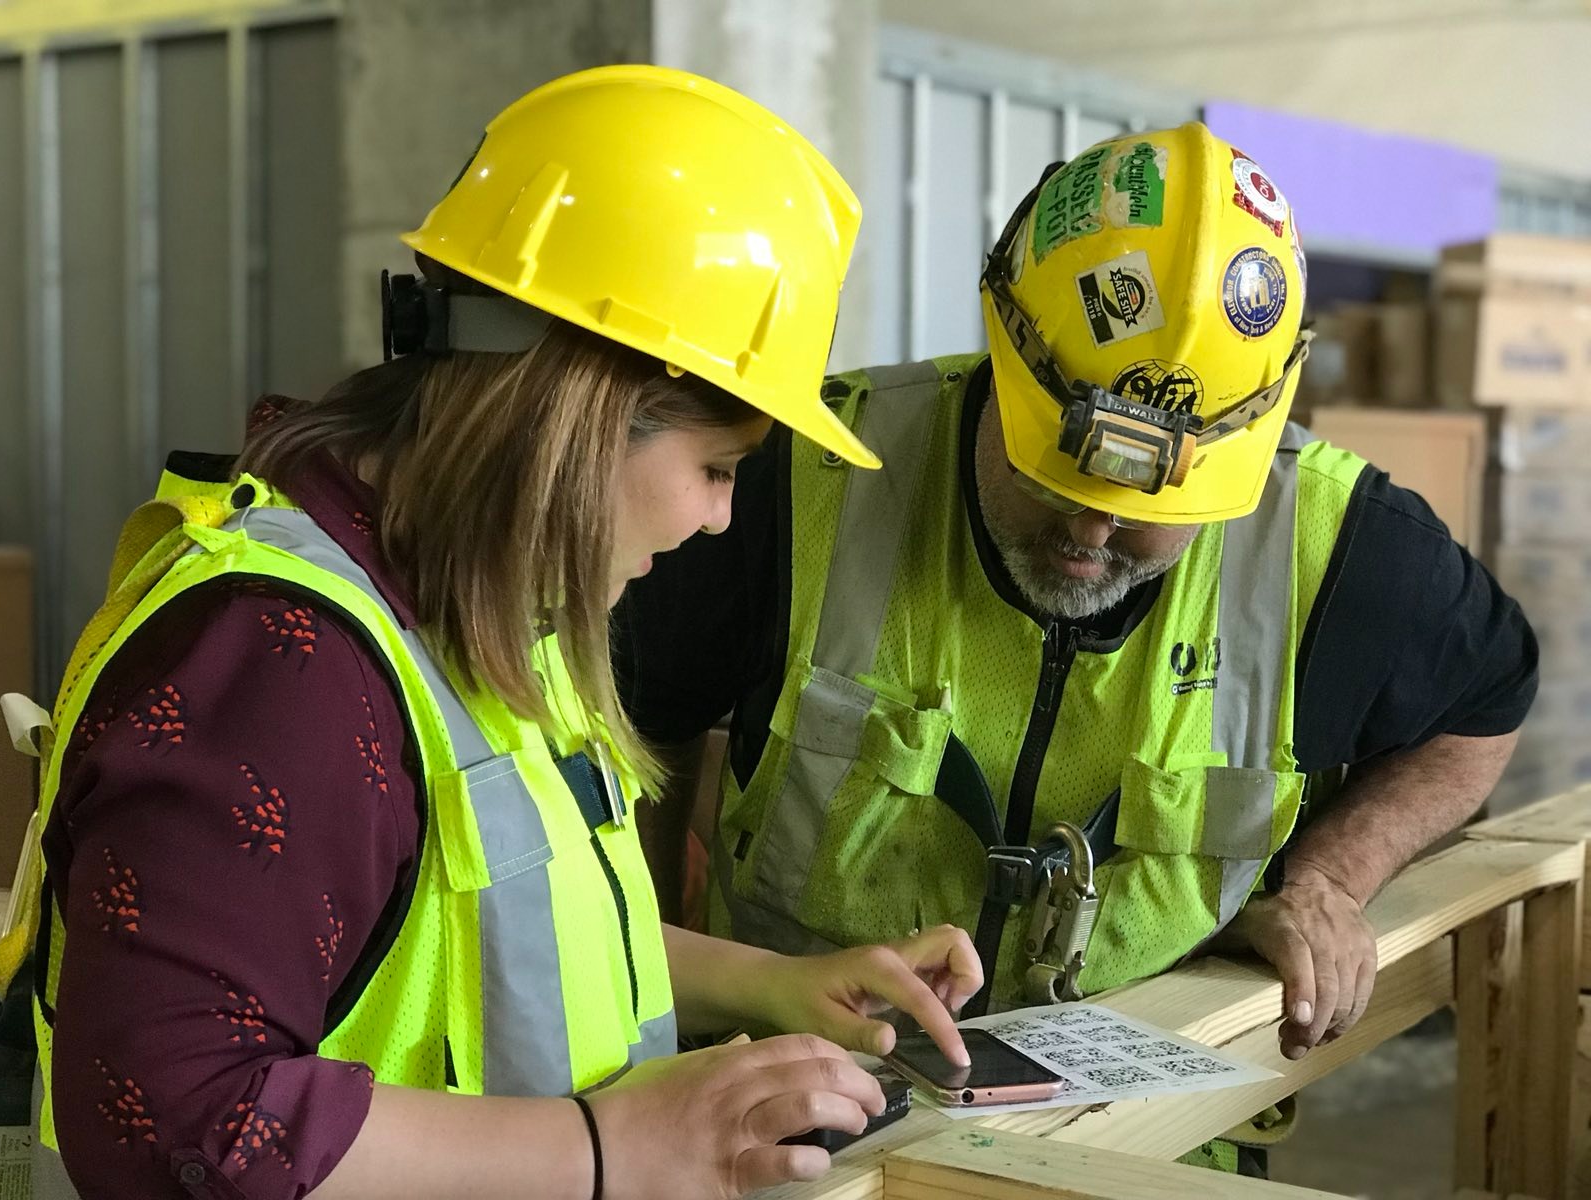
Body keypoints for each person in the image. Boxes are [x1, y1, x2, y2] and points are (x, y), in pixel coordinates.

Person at [2, 66, 983, 1200]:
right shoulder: (285, 663)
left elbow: (500, 934)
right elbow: (170, 1115)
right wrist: (612, 1146)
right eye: (714, 467)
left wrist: (770, 983)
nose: (719, 516)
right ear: (581, 416)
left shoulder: (485, 612)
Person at [619, 121, 1536, 1137]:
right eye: (1056, 479)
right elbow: (632, 727)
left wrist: (1327, 879)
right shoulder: (798, 487)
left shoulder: (1339, 551)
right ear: (1002, 357)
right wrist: (654, 1010)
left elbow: (1487, 702)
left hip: (1150, 1142)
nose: (1093, 532)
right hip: (795, 1118)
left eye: (1151, 511)